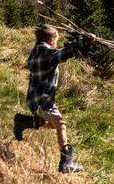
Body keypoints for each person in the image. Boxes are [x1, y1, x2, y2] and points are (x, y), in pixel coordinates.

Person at [14, 24, 93, 173]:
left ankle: (22, 121)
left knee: (49, 124)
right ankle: (66, 163)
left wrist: (76, 41)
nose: (56, 43)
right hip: (44, 101)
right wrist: (83, 40)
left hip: (34, 100)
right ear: (51, 41)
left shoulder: (36, 51)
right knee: (60, 124)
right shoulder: (47, 54)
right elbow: (63, 54)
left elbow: (61, 52)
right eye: (56, 40)